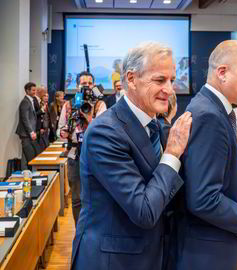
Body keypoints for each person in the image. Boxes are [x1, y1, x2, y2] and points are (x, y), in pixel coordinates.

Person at [71, 42, 192, 270]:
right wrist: (173, 153)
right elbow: (144, 211)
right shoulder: (104, 132)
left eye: (172, 80)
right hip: (114, 261)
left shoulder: (157, 126)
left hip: (153, 254)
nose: (169, 89)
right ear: (132, 79)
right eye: (159, 80)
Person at [174, 40, 237, 270]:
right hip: (207, 253)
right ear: (222, 72)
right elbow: (203, 198)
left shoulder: (214, 109)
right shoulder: (209, 116)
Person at [57, 71, 107, 225]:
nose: (87, 86)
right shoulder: (68, 105)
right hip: (74, 152)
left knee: (97, 194)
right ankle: (80, 231)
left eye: (90, 83)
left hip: (95, 153)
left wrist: (89, 117)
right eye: (83, 83)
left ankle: (95, 230)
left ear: (94, 85)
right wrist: (63, 133)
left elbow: (102, 132)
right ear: (77, 85)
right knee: (77, 197)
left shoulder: (100, 104)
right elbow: (59, 130)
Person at [16, 82, 40, 169]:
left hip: (29, 134)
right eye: (33, 90)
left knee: (31, 156)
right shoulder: (25, 102)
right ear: (27, 91)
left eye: (35, 90)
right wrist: (31, 132)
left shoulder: (31, 101)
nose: (35, 92)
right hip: (26, 134)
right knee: (30, 157)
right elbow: (25, 119)